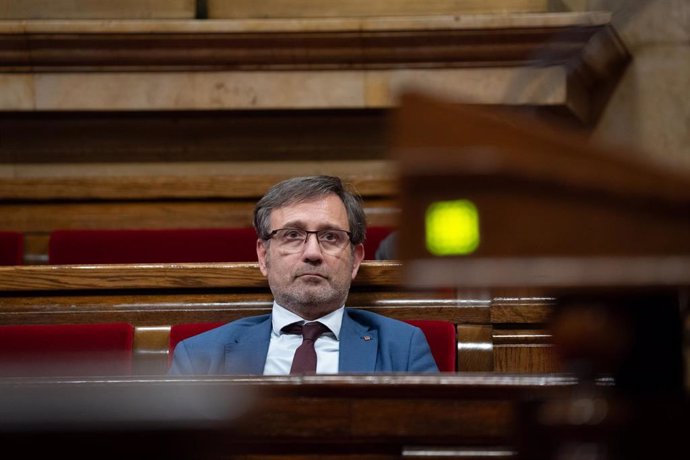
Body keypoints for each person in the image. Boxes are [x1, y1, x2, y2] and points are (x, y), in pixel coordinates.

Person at [169, 175, 438, 375]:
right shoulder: (199, 357)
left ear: (355, 261)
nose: (312, 253)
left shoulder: (404, 348)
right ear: (264, 256)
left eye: (330, 237)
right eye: (292, 235)